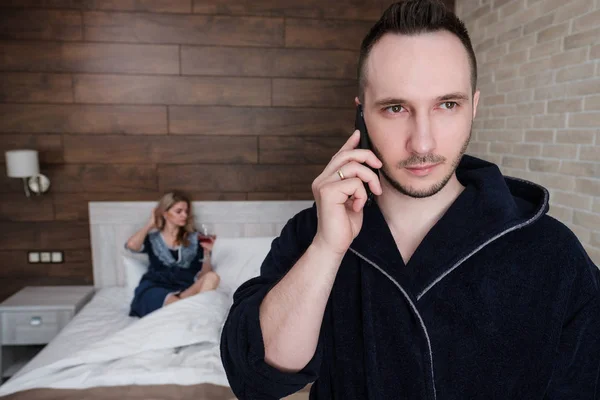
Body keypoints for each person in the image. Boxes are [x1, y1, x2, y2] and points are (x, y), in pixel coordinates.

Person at [220, 0, 600, 399]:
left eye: (447, 105)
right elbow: (253, 379)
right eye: (396, 107)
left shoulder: (551, 251)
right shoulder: (309, 234)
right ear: (362, 114)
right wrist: (327, 250)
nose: (422, 142)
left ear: (474, 108)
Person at [126, 191, 220, 318]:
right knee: (175, 304)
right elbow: (132, 245)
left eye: (186, 211)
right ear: (165, 213)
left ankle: (190, 311)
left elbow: (203, 275)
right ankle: (193, 314)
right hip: (156, 289)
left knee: (212, 277)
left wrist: (207, 253)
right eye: (179, 211)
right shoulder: (153, 239)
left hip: (184, 290)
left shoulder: (195, 238)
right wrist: (150, 224)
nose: (184, 215)